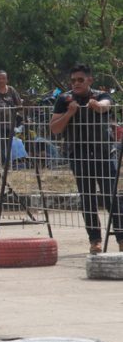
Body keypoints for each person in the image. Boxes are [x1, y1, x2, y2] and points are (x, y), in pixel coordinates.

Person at [50, 64, 122, 254]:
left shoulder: (100, 95)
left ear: (90, 80)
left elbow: (106, 105)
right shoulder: (64, 99)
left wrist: (97, 106)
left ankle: (121, 238)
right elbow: (55, 128)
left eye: (80, 80)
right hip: (78, 154)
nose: (76, 83)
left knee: (111, 196)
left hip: (104, 153)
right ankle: (95, 240)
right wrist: (69, 113)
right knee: (87, 198)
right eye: (73, 80)